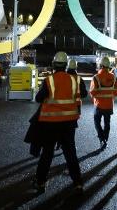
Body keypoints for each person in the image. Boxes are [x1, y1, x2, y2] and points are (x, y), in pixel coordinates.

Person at [33, 51, 87, 193]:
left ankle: (40, 182)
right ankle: (78, 183)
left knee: (47, 154)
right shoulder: (74, 80)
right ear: (66, 65)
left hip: (50, 122)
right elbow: (80, 95)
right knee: (70, 154)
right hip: (69, 122)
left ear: (54, 64)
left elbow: (38, 98)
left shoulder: (49, 80)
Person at [90, 56, 117, 150]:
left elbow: (92, 92)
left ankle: (102, 138)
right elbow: (116, 92)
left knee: (96, 122)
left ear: (101, 65)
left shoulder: (96, 77)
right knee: (107, 123)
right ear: (108, 66)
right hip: (109, 105)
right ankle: (105, 139)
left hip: (98, 105)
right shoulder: (114, 77)